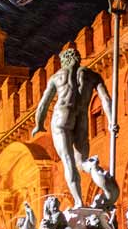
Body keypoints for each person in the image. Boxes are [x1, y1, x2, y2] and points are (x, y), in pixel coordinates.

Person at [31, 46, 117, 208]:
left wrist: (38, 125)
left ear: (64, 61)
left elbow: (43, 105)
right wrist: (112, 121)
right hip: (81, 119)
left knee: (68, 161)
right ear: (78, 59)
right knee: (82, 162)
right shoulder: (92, 76)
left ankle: (79, 202)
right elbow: (106, 99)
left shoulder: (57, 77)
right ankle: (92, 167)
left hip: (61, 118)